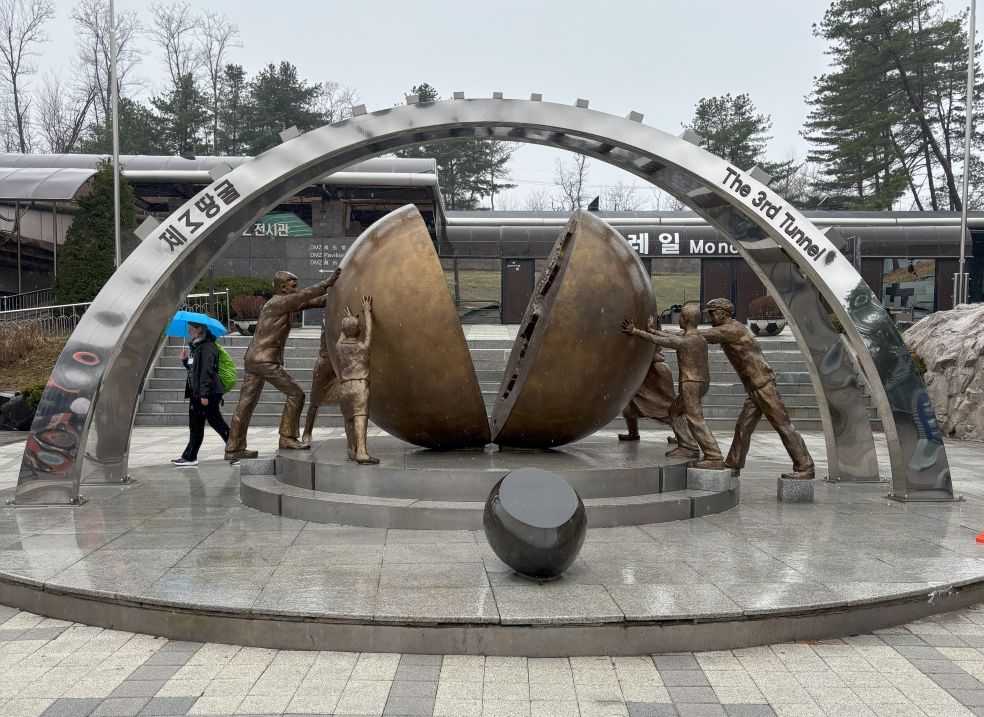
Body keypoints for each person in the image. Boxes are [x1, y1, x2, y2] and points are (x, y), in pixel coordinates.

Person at [225, 268, 340, 461]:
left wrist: (340, 296)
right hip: (265, 360)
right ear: (283, 287)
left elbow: (314, 301)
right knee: (296, 394)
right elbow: (305, 296)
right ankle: (287, 437)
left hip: (254, 360)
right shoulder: (278, 302)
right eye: (293, 286)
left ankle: (234, 449)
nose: (297, 289)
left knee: (245, 405)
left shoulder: (284, 303)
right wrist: (326, 283)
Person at [700, 297, 814, 480]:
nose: (710, 318)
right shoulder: (730, 328)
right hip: (755, 386)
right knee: (743, 426)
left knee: (783, 425)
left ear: (722, 313)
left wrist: (662, 333)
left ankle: (805, 466)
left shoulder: (732, 329)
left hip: (762, 384)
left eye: (712, 313)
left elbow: (700, 335)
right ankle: (733, 464)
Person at [621, 305, 725, 469]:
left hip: (691, 384)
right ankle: (687, 446)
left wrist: (635, 331)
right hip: (701, 382)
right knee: (675, 411)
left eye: (681, 317)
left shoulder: (686, 341)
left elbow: (663, 340)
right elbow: (667, 335)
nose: (679, 319)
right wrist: (651, 329)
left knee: (696, 419)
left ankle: (714, 456)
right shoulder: (697, 337)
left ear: (686, 319)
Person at [619, 314, 698, 455]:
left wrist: (636, 331)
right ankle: (633, 433)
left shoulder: (659, 330)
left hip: (655, 369)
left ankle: (683, 436)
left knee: (667, 406)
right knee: (629, 402)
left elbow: (655, 339)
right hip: (638, 368)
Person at [171, 322, 230, 467]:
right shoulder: (198, 347)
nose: (188, 332)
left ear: (199, 331)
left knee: (216, 423)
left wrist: (204, 395)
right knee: (196, 426)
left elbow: (206, 372)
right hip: (198, 393)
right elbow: (195, 370)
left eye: (191, 330)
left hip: (207, 393)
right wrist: (185, 361)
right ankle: (190, 457)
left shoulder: (207, 348)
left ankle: (236, 450)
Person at [336, 296, 379, 464]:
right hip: (360, 386)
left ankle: (352, 450)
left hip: (344, 387)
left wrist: (347, 321)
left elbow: (343, 333)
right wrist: (367, 312)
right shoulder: (362, 347)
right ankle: (362, 452)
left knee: (348, 418)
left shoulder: (339, 347)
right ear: (358, 329)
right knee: (360, 416)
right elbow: (369, 332)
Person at [302, 320, 340, 445]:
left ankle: (354, 437)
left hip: (341, 362)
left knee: (350, 400)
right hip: (325, 363)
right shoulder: (327, 320)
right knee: (315, 401)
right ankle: (307, 432)